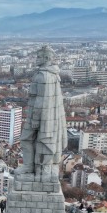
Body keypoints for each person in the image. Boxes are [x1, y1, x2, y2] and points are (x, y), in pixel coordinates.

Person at [15, 45, 67, 183]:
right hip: (49, 117)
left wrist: (35, 119)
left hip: (38, 116)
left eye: (39, 56)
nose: (36, 59)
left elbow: (40, 100)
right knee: (40, 140)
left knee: (27, 139)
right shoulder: (53, 74)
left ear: (46, 58)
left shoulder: (42, 76)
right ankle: (40, 168)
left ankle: (31, 166)